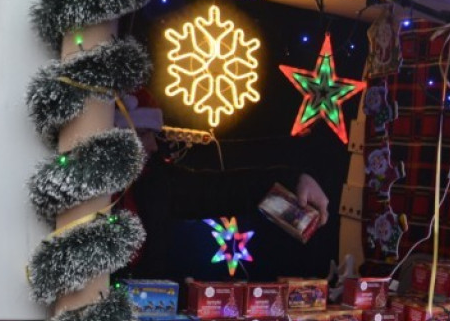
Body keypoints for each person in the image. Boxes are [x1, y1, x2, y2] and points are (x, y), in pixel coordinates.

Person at [114, 90, 331, 284]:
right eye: (142, 133)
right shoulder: (87, 191)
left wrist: (295, 180)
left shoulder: (156, 179)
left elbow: (227, 189)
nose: (152, 145)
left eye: (153, 134)